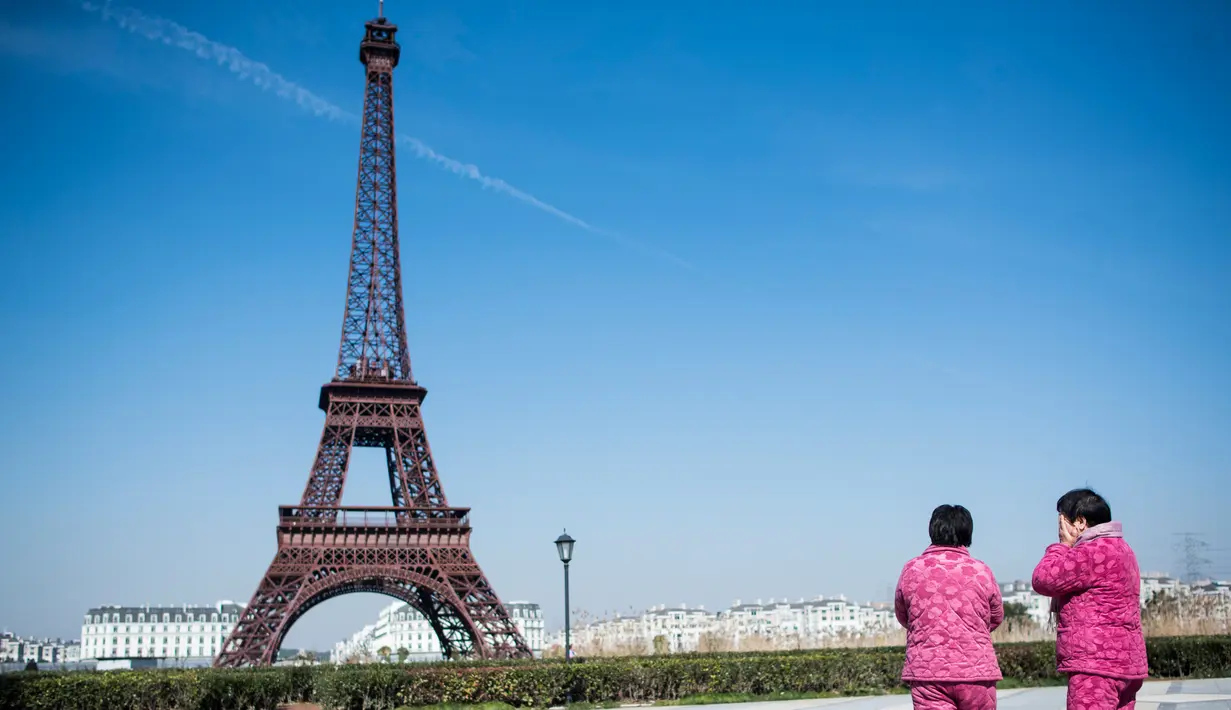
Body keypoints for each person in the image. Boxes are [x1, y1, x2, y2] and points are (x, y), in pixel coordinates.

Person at [1032, 489, 1147, 710]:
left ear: (1080, 522)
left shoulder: (1090, 551)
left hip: (1095, 666)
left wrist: (1061, 547)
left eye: (1062, 522)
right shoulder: (1124, 549)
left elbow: (1043, 579)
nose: (1059, 530)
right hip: (1127, 663)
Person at [896, 504, 1004, 710]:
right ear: (967, 533)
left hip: (928, 673)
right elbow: (996, 615)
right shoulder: (981, 570)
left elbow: (903, 615)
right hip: (976, 671)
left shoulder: (912, 569)